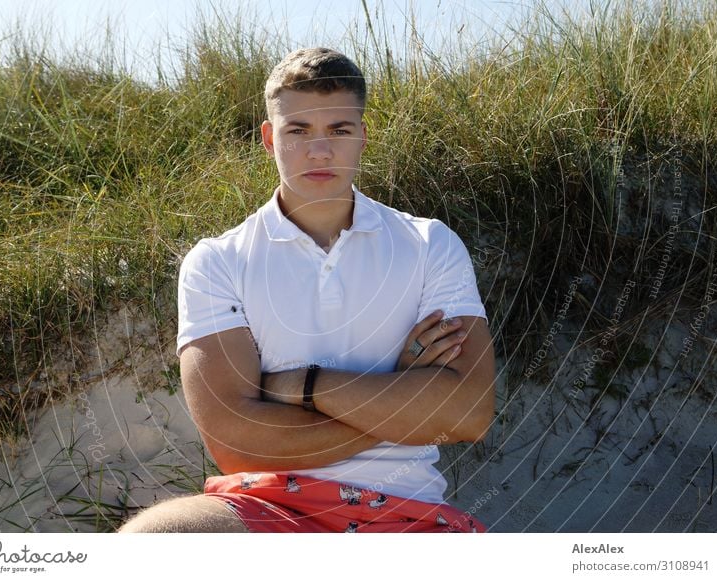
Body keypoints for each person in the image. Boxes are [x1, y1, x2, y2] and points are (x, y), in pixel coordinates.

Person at [119, 47, 495, 533]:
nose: (320, 151)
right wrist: (400, 401)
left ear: (362, 136)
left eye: (339, 130)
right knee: (153, 539)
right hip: (270, 503)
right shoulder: (217, 262)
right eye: (299, 131)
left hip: (408, 509)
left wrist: (302, 386)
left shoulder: (429, 244)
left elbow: (468, 413)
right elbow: (236, 447)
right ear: (269, 138)